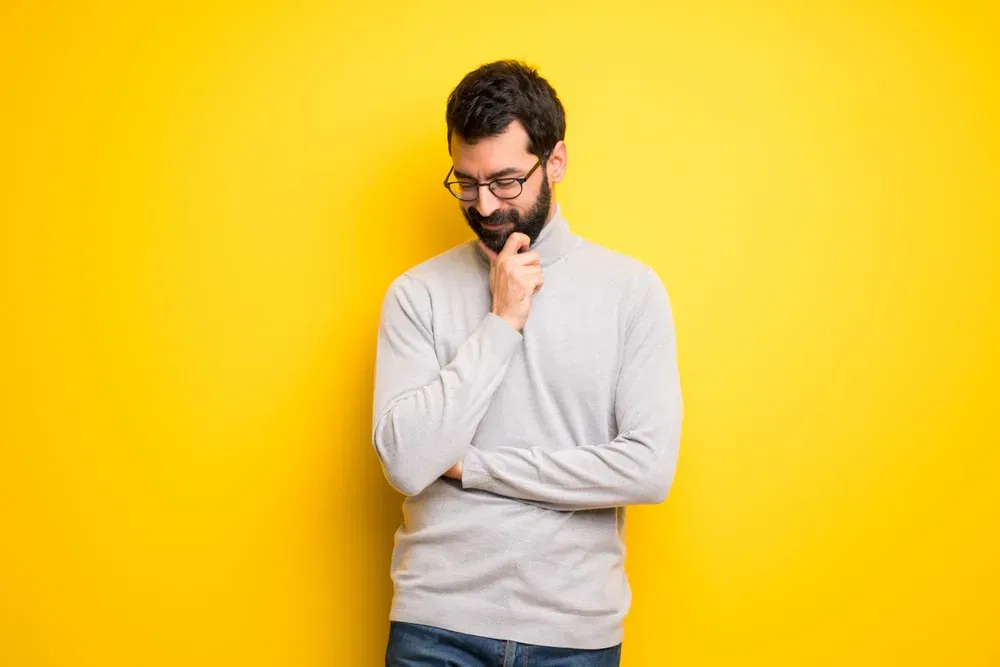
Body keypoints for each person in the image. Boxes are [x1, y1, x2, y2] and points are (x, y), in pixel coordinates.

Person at [371, 59, 683, 666]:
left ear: (556, 162)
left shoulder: (630, 291)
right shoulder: (417, 293)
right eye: (466, 181)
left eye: (507, 181)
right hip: (436, 626)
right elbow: (408, 462)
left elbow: (647, 468)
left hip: (573, 635)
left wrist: (475, 467)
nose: (485, 205)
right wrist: (502, 320)